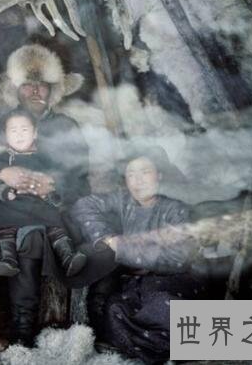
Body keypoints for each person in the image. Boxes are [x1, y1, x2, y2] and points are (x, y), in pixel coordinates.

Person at [0, 43, 90, 346]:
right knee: (27, 240)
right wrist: (2, 172)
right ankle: (23, 323)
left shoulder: (66, 125)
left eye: (42, 85)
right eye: (27, 85)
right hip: (17, 209)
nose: (35, 91)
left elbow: (79, 170)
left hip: (56, 208)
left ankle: (66, 326)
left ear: (53, 89)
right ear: (16, 89)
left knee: (61, 237)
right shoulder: (4, 126)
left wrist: (54, 184)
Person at [70, 146, 205, 364]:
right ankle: (151, 346)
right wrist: (107, 237)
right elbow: (83, 206)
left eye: (145, 172)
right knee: (114, 309)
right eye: (131, 174)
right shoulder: (122, 200)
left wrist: (123, 248)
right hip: (134, 283)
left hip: (172, 280)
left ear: (159, 175)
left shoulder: (176, 209)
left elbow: (178, 257)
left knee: (163, 307)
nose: (138, 181)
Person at [0, 108, 87, 278]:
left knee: (55, 223)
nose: (19, 135)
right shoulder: (1, 159)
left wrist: (49, 192)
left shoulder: (45, 157)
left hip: (39, 202)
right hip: (13, 202)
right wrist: (4, 191)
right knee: (0, 210)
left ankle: (68, 257)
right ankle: (8, 260)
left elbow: (56, 180)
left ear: (35, 133)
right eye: (13, 131)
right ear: (5, 136)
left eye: (24, 130)